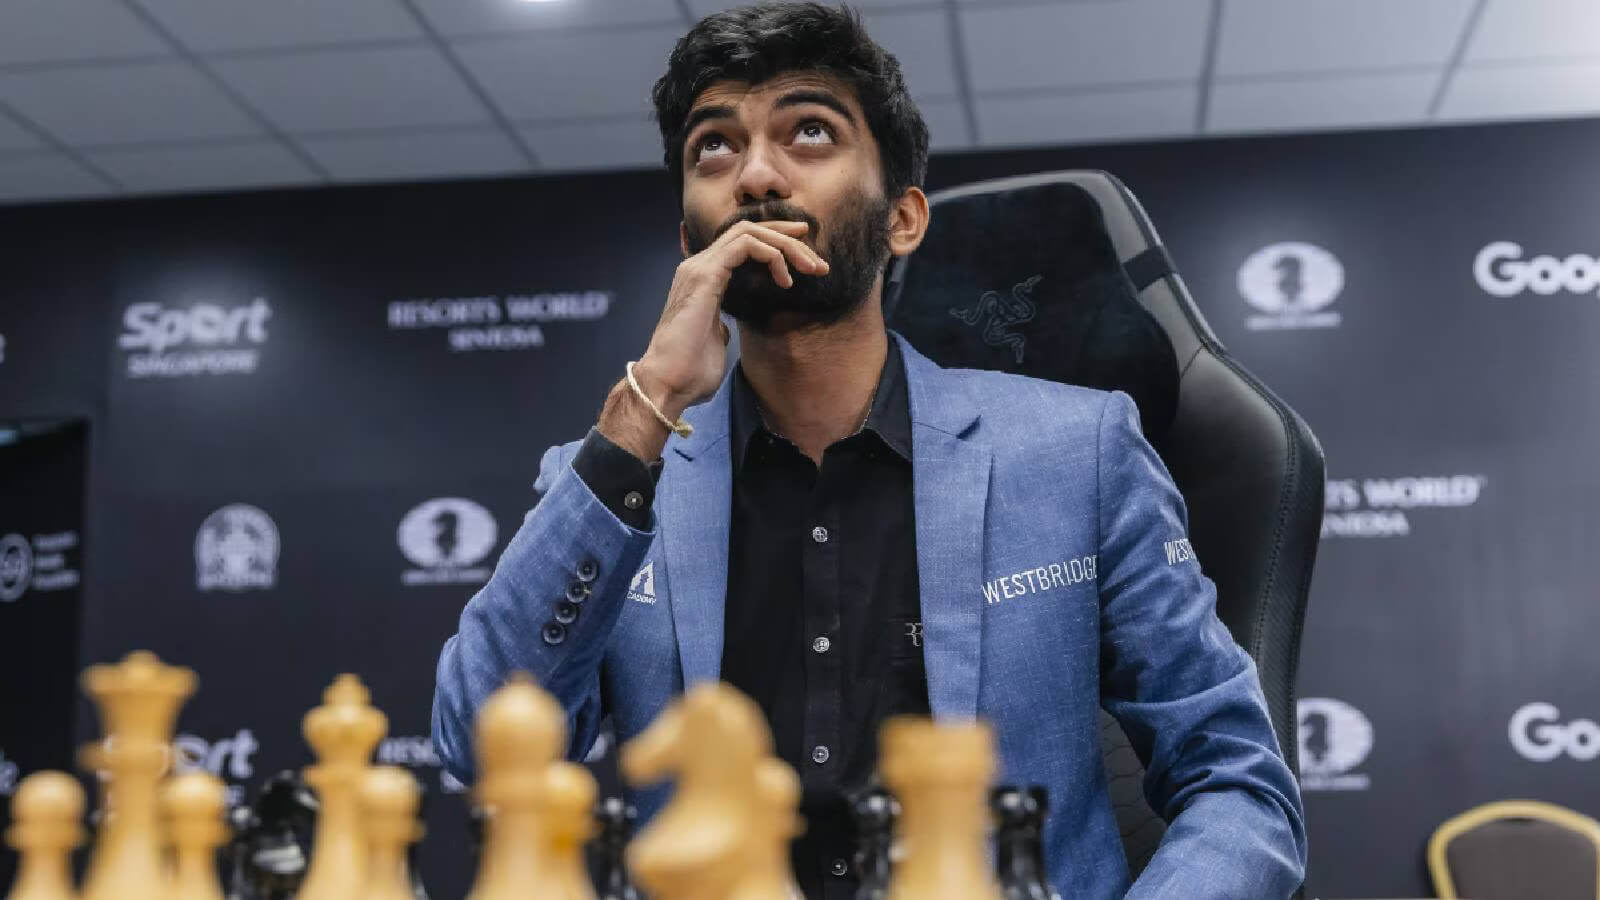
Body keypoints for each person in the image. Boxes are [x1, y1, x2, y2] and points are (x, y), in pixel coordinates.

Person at [432, 4, 1306, 898]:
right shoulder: (616, 486)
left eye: (809, 132)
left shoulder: (1080, 453)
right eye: (715, 149)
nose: (757, 176)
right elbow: (476, 744)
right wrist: (643, 412)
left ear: (903, 219)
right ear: (688, 236)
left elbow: (1238, 783)